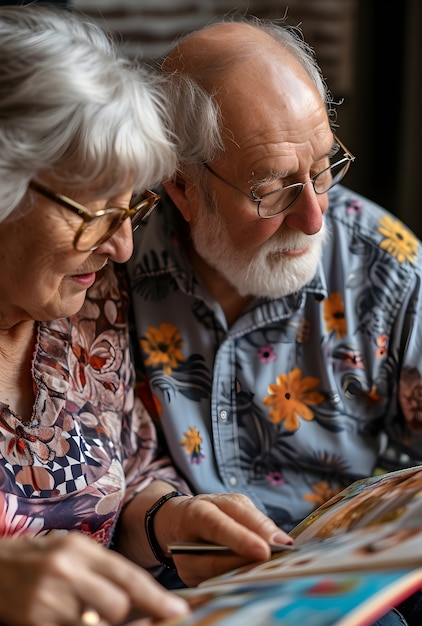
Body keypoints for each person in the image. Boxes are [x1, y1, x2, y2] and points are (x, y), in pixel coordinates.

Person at [0, 7, 292, 626]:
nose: (122, 248)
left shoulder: (86, 303)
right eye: (94, 213)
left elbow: (129, 477)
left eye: (129, 210)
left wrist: (169, 521)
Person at [126, 16, 422, 626]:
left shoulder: (385, 265)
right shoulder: (106, 272)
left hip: (350, 574)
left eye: (322, 169)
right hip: (177, 584)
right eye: (273, 189)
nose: (315, 217)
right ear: (180, 185)